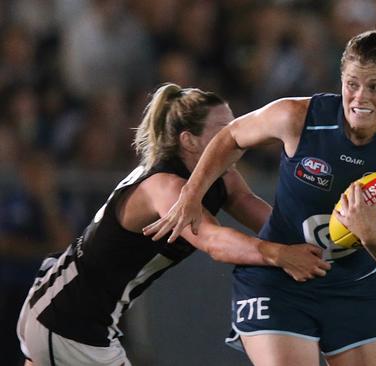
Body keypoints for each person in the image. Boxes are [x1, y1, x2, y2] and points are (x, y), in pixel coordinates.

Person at [144, 6, 376, 366]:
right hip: (278, 280)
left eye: (375, 87)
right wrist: (191, 194)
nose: (360, 98)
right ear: (340, 80)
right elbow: (232, 135)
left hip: (353, 287)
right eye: (352, 85)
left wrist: (374, 237)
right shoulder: (299, 116)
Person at [15, 83, 331, 366]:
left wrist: (325, 237)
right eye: (222, 128)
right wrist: (277, 254)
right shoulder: (164, 186)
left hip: (64, 313)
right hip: (71, 321)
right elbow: (213, 241)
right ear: (189, 141)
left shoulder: (223, 176)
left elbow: (262, 213)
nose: (234, 134)